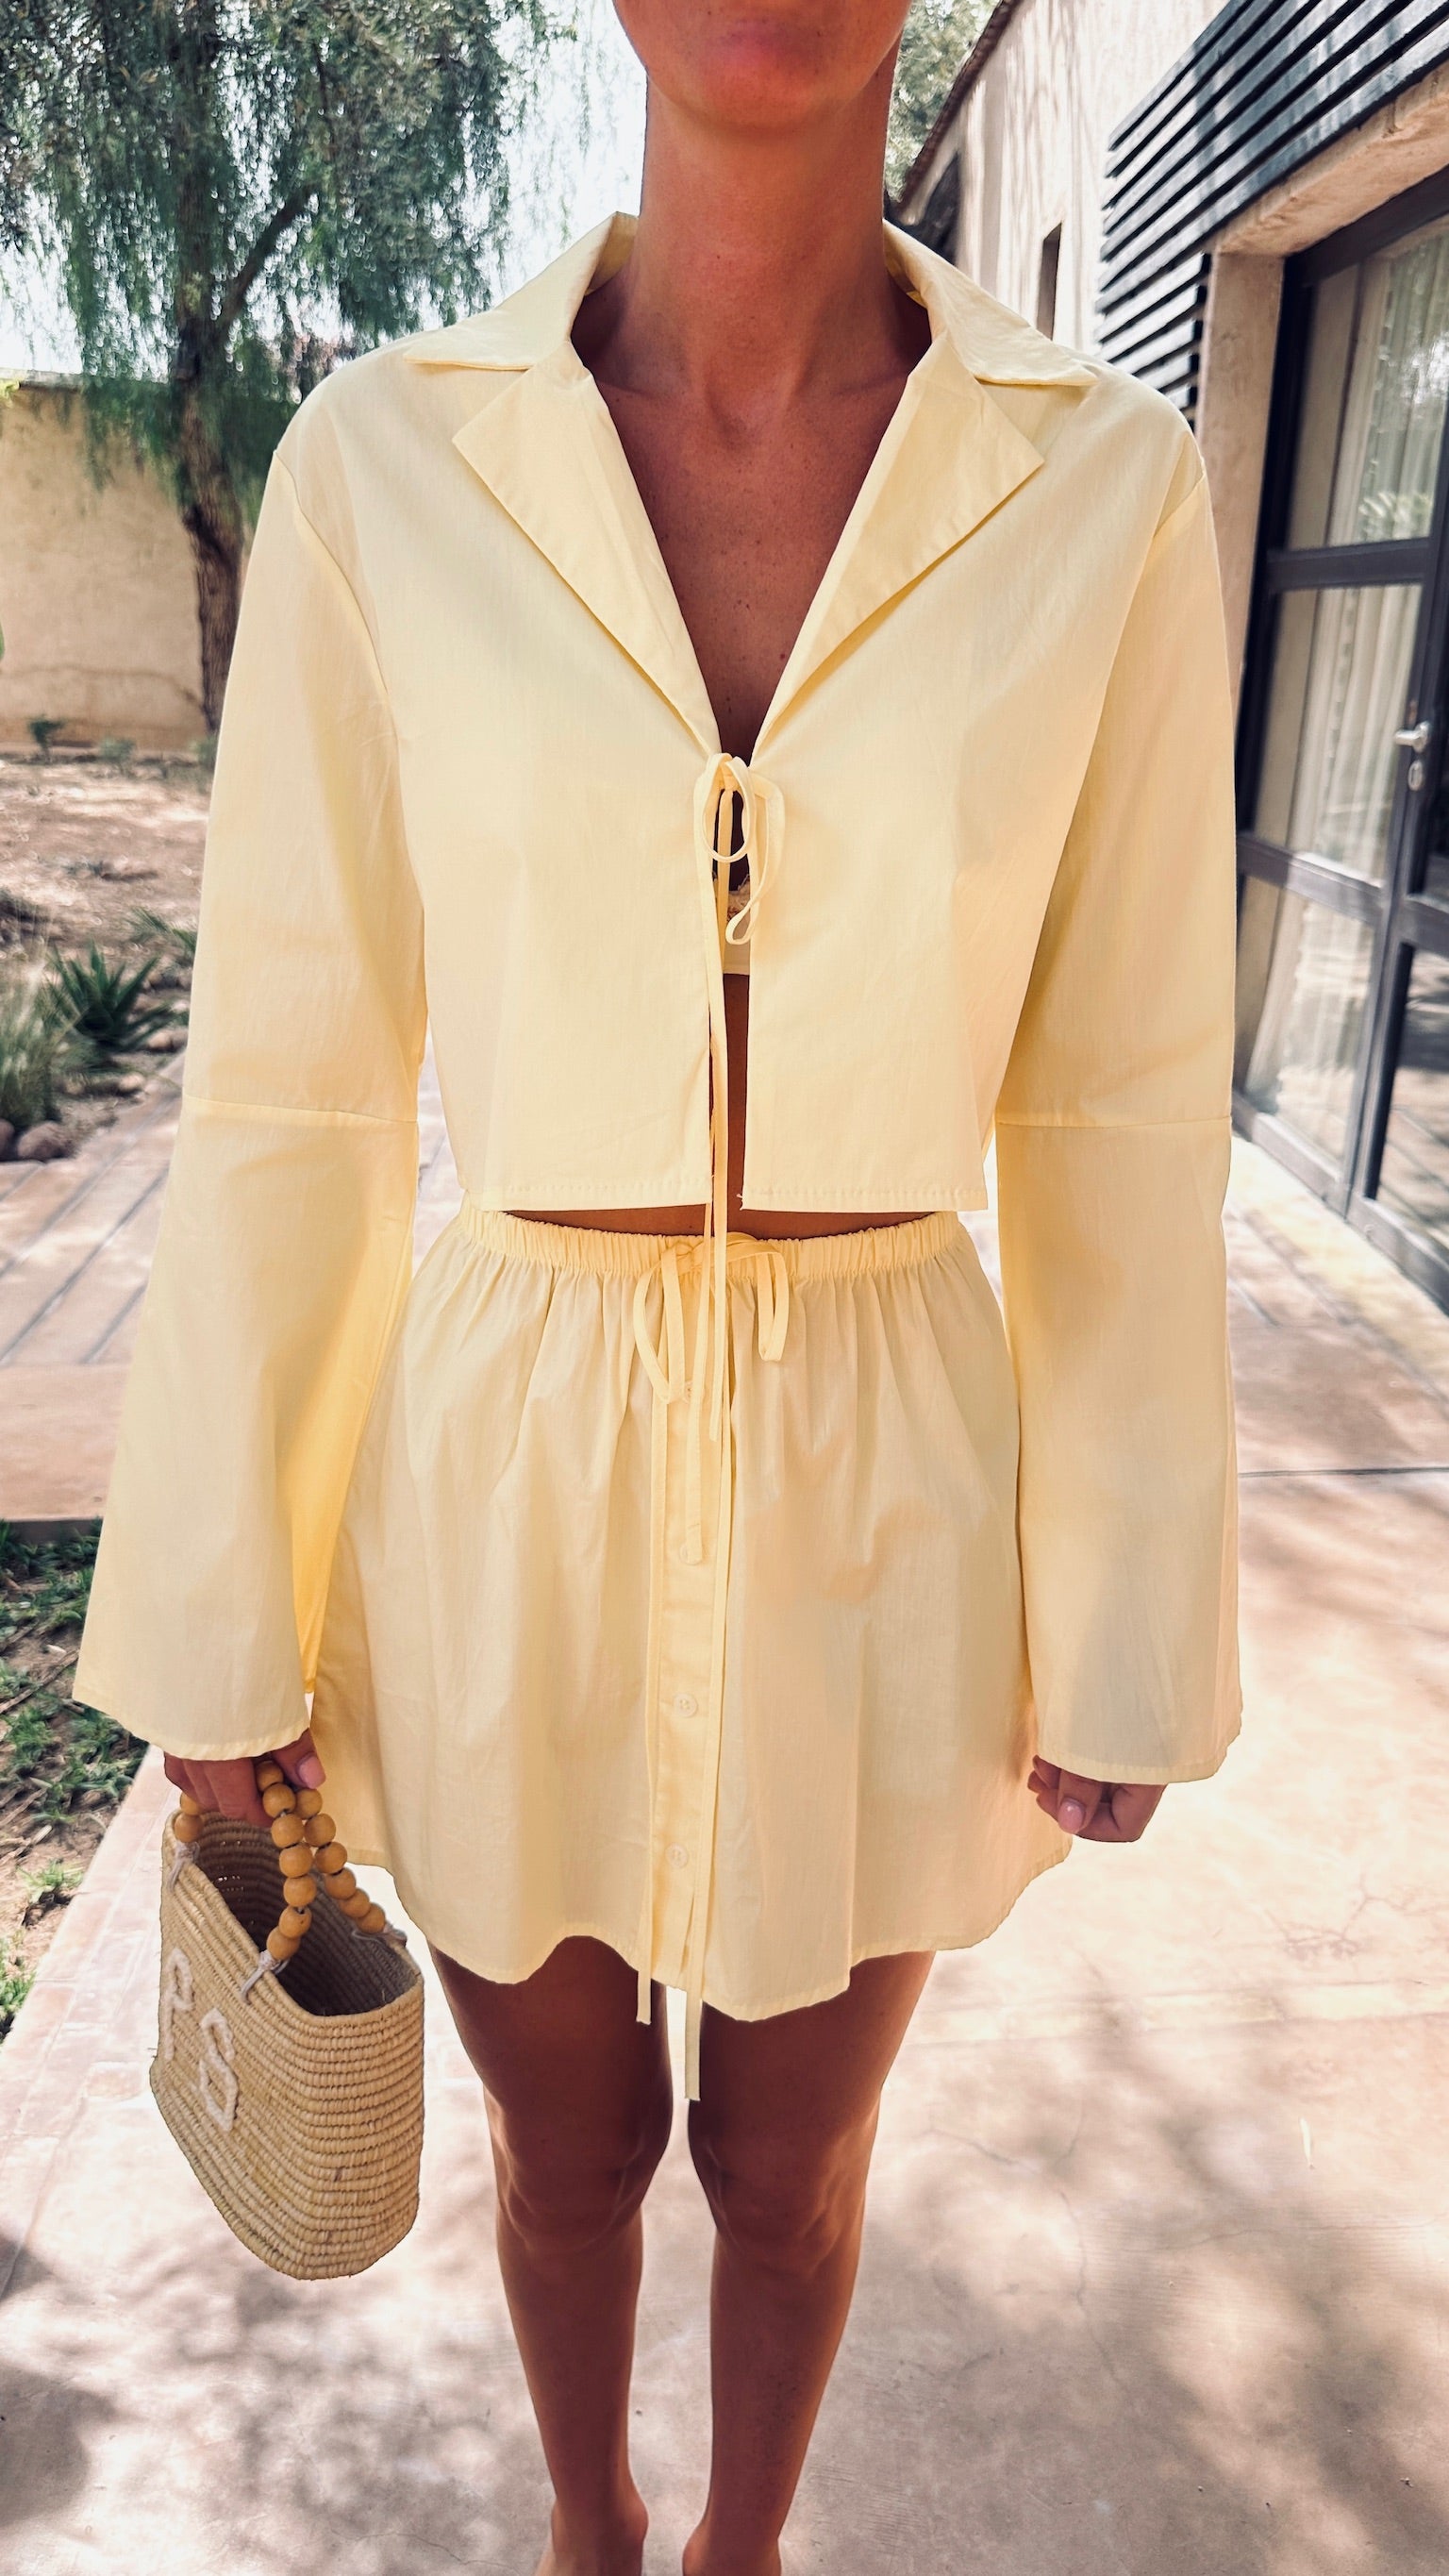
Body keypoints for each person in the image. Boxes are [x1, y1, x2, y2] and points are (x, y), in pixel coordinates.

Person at [73, 6, 1242, 2570]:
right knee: (568, 2148)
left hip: (882, 1471)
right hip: (512, 1469)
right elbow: (289, 1082)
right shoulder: (391, 470)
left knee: (791, 2168)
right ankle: (593, 2525)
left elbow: (1127, 1094)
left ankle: (740, 2550)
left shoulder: (1104, 486)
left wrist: (1132, 1601)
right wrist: (220, 1616)